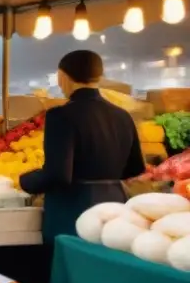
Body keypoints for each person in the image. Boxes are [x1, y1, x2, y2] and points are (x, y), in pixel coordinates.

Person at [20, 50, 145, 243]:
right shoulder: (123, 115)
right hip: (115, 210)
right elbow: (136, 167)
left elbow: (58, 175)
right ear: (99, 77)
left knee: (72, 266)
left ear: (62, 76)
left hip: (74, 212)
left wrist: (26, 181)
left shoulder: (60, 116)